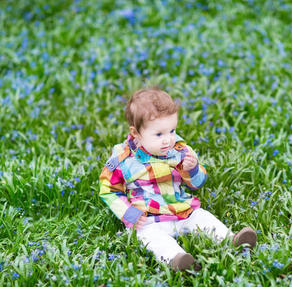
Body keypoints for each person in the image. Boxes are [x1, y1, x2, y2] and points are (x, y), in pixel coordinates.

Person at [98, 87, 257, 271]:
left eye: (172, 130)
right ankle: (177, 260)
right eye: (159, 134)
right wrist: (129, 213)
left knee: (202, 217)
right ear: (136, 133)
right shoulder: (124, 159)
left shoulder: (180, 150)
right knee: (151, 238)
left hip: (181, 210)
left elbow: (197, 184)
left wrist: (193, 169)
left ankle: (233, 240)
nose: (168, 139)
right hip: (148, 218)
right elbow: (108, 189)